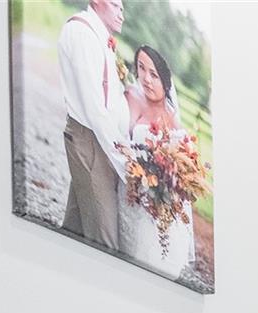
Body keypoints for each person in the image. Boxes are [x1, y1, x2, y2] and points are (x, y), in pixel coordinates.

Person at [57, 0, 128, 250]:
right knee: (106, 242)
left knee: (74, 230)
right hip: (90, 140)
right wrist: (123, 159)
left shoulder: (98, 35)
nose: (122, 13)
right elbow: (95, 109)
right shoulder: (83, 34)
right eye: (115, 5)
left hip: (98, 139)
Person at [118, 44, 192, 277]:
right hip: (137, 196)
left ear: (166, 81)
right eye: (141, 69)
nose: (146, 79)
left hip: (165, 204)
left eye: (154, 74)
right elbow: (122, 142)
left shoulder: (172, 115)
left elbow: (186, 159)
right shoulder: (132, 97)